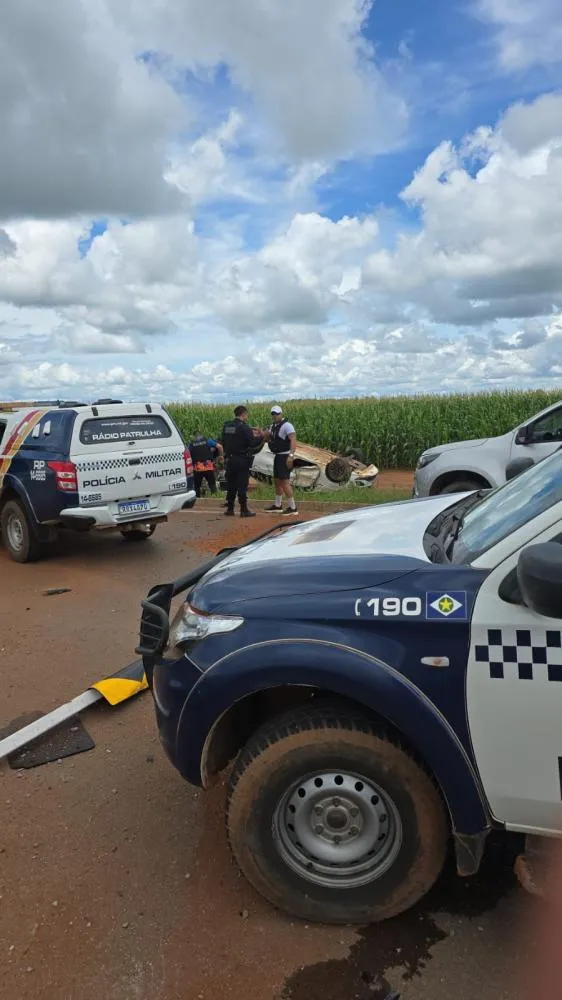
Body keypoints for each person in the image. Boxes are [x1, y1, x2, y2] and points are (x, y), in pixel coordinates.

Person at [219, 405, 264, 518]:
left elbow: (223, 440)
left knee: (231, 485)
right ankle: (244, 510)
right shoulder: (244, 427)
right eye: (246, 415)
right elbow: (252, 443)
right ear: (244, 414)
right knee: (242, 486)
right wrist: (262, 436)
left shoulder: (227, 426)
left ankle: (230, 509)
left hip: (230, 460)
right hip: (242, 460)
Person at [263, 404, 298, 515]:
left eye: (277, 414)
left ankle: (293, 508)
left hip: (285, 456)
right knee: (277, 481)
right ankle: (278, 505)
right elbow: (267, 438)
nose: (275, 416)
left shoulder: (287, 426)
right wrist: (264, 434)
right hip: (277, 456)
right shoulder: (272, 426)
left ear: (281, 414)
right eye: (273, 414)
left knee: (284, 482)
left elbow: (293, 440)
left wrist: (291, 456)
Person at [188, 431, 223, 497]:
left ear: (194, 437)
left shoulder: (191, 444)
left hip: (197, 468)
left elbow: (188, 455)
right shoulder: (207, 441)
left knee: (197, 487)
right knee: (212, 486)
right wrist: (221, 456)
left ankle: (197, 501)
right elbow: (219, 446)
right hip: (208, 466)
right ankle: (215, 498)